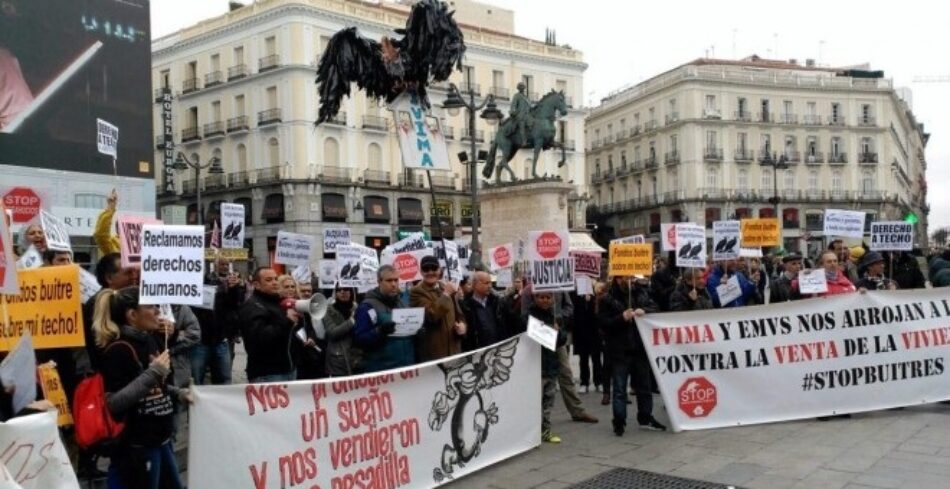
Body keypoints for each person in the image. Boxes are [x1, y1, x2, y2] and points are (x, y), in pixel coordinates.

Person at [92, 287, 188, 489]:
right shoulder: (119, 349)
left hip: (160, 440)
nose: (157, 312)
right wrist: (153, 373)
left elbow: (157, 387)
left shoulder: (150, 339)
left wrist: (179, 394)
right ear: (132, 315)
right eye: (151, 306)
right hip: (137, 446)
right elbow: (113, 403)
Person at [599, 276, 666, 436]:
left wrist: (646, 311)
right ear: (617, 278)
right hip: (619, 350)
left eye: (629, 276)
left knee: (644, 386)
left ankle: (645, 417)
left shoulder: (640, 293)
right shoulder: (608, 298)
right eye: (623, 277)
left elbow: (655, 307)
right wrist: (621, 318)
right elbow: (603, 323)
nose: (627, 280)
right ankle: (619, 421)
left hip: (639, 348)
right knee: (620, 388)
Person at [239, 268, 299, 382]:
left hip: (288, 370)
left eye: (276, 279)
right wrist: (287, 321)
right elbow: (261, 338)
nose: (275, 282)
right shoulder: (252, 306)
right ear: (256, 284)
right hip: (267, 374)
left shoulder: (278, 303)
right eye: (269, 280)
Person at [191, 258, 244, 385]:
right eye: (222, 264)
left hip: (221, 339)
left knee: (224, 379)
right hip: (201, 341)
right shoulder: (196, 287)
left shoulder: (229, 285)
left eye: (227, 264)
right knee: (196, 379)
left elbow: (234, 304)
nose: (225, 267)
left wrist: (234, 288)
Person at [525, 290, 568, 444]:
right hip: (537, 366)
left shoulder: (553, 315)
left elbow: (561, 340)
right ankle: (532, 432)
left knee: (548, 402)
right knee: (536, 401)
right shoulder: (529, 315)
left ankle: (545, 431)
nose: (545, 300)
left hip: (551, 364)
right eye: (541, 297)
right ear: (535, 298)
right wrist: (551, 333)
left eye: (548, 297)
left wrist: (556, 332)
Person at [354, 265, 414, 372]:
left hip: (407, 368)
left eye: (396, 280)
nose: (393, 284)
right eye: (389, 280)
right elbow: (359, 339)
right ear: (379, 281)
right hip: (383, 371)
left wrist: (417, 330)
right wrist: (379, 331)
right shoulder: (367, 306)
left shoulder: (403, 303)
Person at [410, 256, 466, 361]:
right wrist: (445, 295)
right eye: (426, 269)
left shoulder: (445, 287)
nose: (430, 272)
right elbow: (431, 315)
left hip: (454, 351)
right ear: (421, 272)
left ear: (440, 270)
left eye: (434, 268)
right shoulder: (416, 292)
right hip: (434, 354)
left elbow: (459, 315)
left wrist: (463, 327)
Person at [571, 283, 603, 394]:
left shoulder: (597, 294)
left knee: (596, 358)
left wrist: (592, 300)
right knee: (583, 358)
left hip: (594, 331)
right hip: (581, 331)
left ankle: (598, 381)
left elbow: (600, 312)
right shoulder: (575, 294)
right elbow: (573, 310)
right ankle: (584, 382)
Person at [461, 271, 504, 351]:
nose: (490, 286)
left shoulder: (496, 302)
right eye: (487, 283)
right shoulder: (466, 306)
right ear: (475, 284)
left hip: (498, 349)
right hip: (478, 353)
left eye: (490, 283)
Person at [325, 286, 361, 376]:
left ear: (351, 292)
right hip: (337, 360)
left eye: (346, 289)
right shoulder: (328, 310)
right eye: (339, 290)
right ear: (335, 293)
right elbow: (332, 333)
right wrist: (351, 321)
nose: (342, 292)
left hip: (356, 359)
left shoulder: (358, 309)